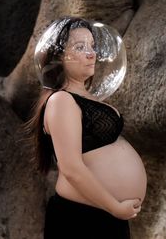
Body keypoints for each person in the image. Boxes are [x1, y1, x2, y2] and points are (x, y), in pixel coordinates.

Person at [22, 16, 146, 239]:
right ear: (59, 56)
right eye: (80, 47)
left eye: (92, 46)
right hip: (83, 219)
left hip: (105, 215)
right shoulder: (61, 100)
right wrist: (115, 207)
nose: (91, 53)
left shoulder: (85, 98)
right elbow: (71, 169)